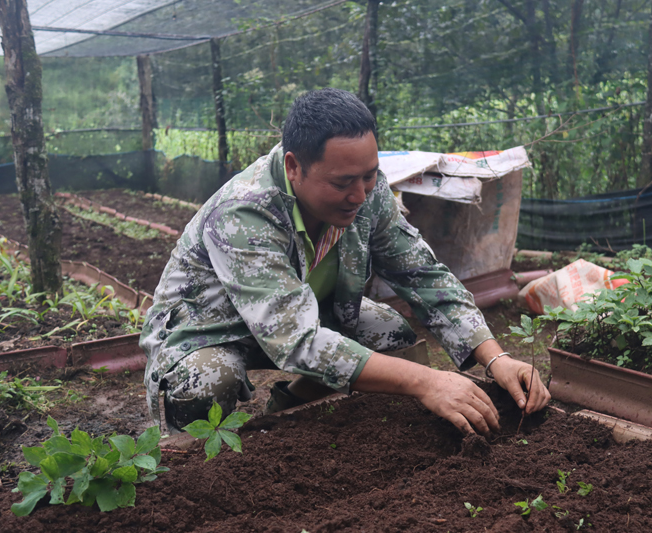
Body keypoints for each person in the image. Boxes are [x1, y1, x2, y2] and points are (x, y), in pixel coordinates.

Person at [139, 88, 550, 435]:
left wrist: (496, 357)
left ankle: (285, 419)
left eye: (369, 176)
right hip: (210, 330)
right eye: (342, 182)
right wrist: (427, 381)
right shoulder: (244, 212)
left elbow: (423, 276)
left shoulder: (367, 192)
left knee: (389, 331)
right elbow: (296, 338)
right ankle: (186, 455)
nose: (360, 194)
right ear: (293, 166)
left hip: (303, 314)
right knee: (209, 378)